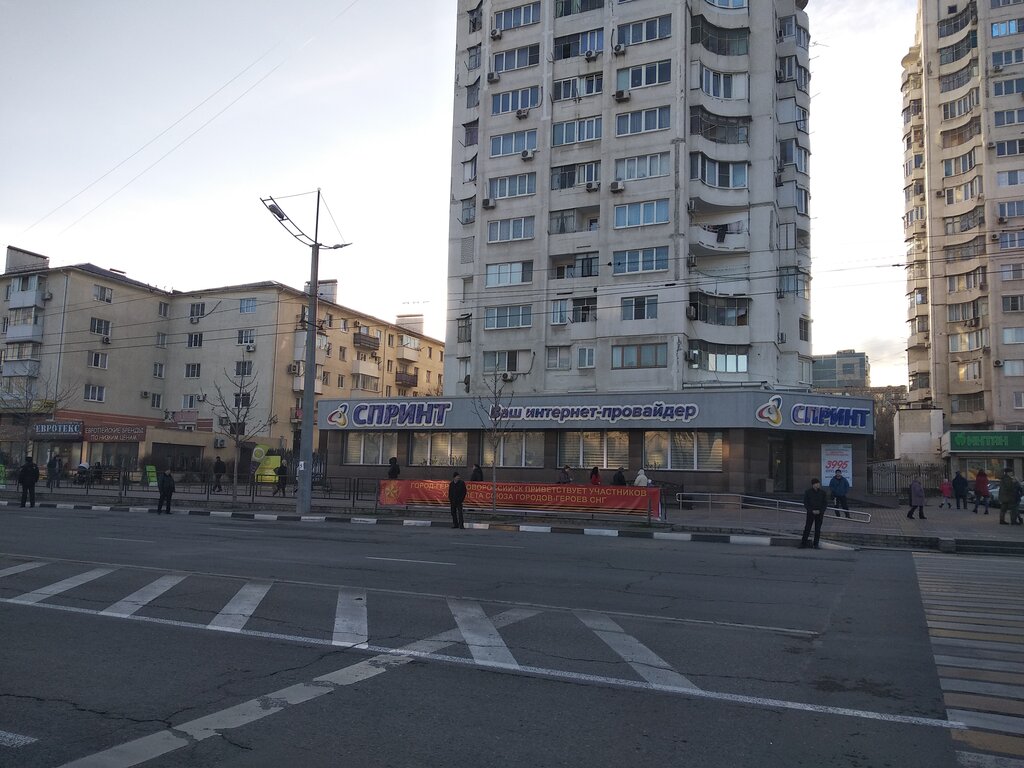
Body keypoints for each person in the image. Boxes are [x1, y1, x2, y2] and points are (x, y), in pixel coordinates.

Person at [800, 477, 828, 549]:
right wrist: (811, 510)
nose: (818, 485)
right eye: (816, 484)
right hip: (811, 513)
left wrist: (820, 511)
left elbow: (825, 503)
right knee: (807, 528)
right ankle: (803, 543)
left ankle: (816, 544)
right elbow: (806, 503)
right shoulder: (808, 492)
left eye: (818, 483)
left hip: (819, 513)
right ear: (813, 484)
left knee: (817, 529)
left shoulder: (823, 493)